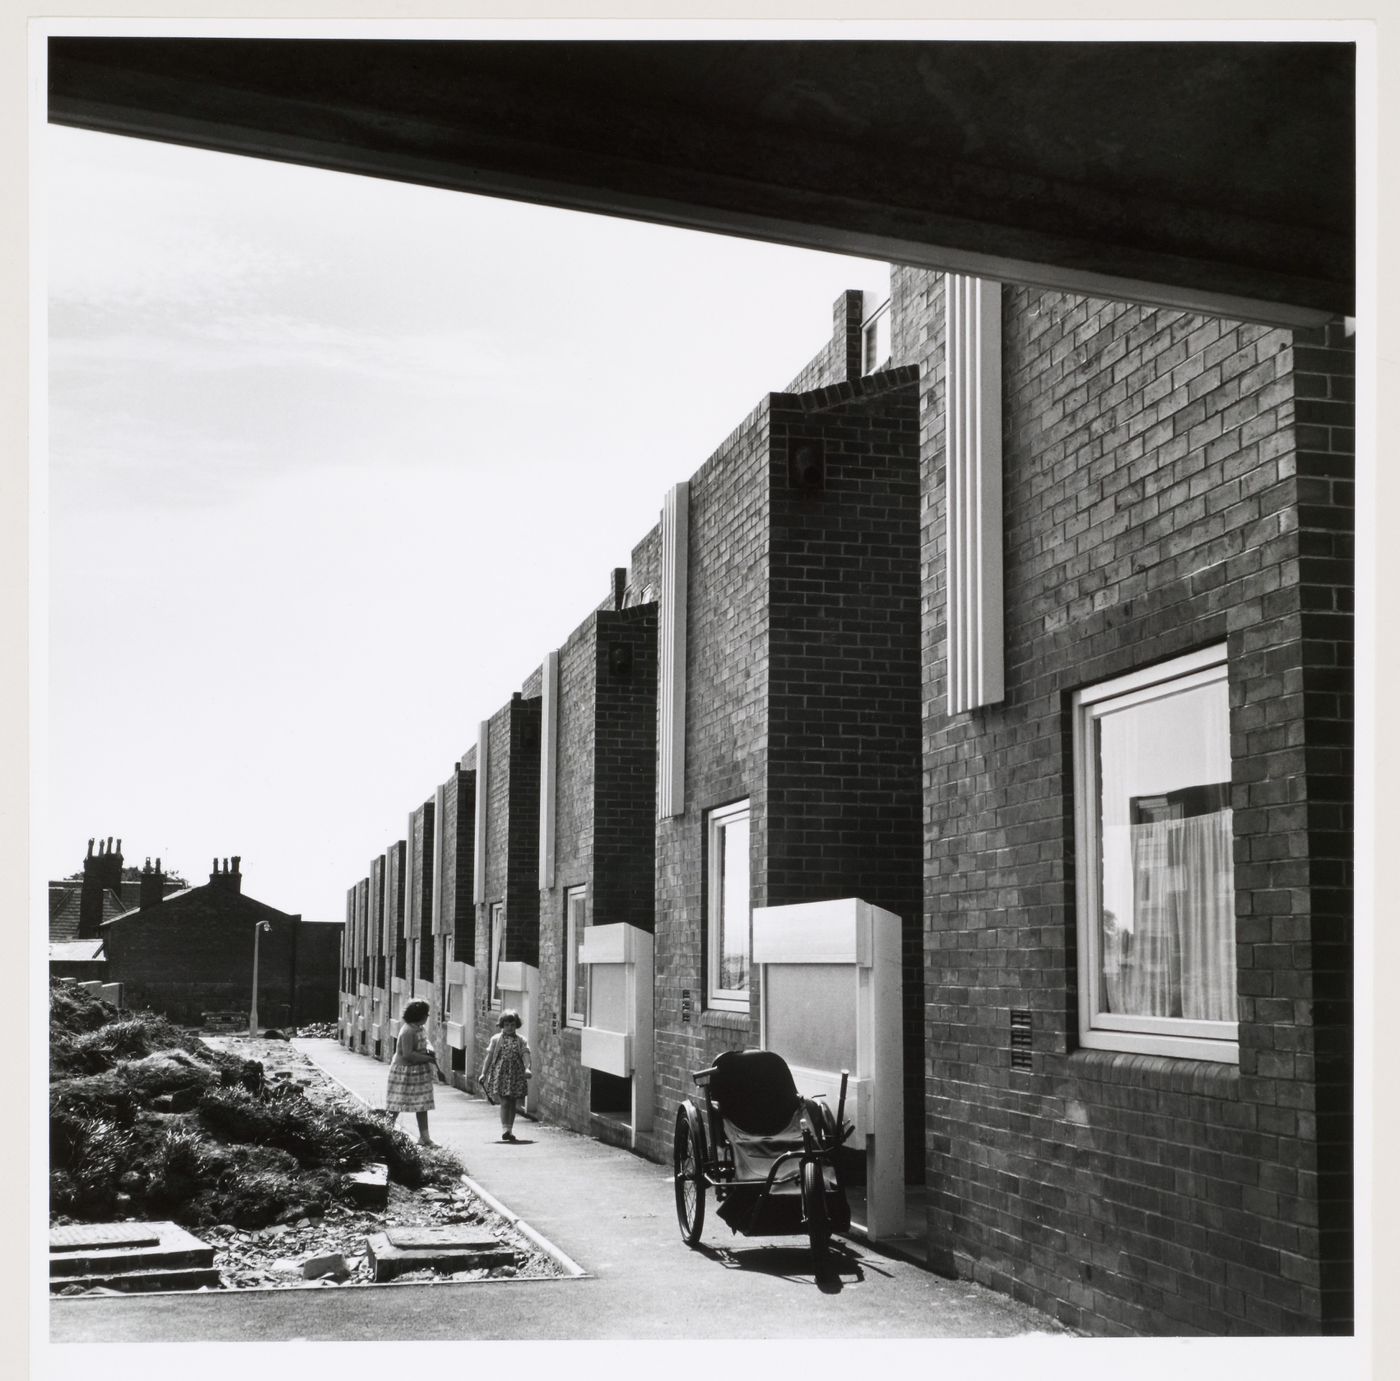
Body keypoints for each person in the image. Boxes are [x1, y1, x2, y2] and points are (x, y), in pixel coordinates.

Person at [385, 999, 437, 1146]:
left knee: (422, 1104)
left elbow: (426, 1042)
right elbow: (407, 1054)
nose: (428, 1016)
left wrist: (430, 1050)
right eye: (426, 1014)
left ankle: (424, 1138)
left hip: (419, 1071)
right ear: (418, 1015)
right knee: (396, 1103)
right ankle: (385, 1131)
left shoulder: (420, 1028)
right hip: (404, 1072)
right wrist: (427, 1058)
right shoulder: (407, 1030)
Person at [478, 1009, 531, 1142]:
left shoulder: (521, 1040)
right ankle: (504, 1129)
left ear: (516, 1025)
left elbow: (525, 1054)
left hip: (515, 1074)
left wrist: (527, 1068)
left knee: (512, 1102)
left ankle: (509, 1130)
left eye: (512, 1025)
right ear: (502, 1025)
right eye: (506, 1025)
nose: (509, 1028)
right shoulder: (496, 1039)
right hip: (500, 1073)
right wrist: (483, 1073)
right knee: (505, 1102)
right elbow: (489, 1057)